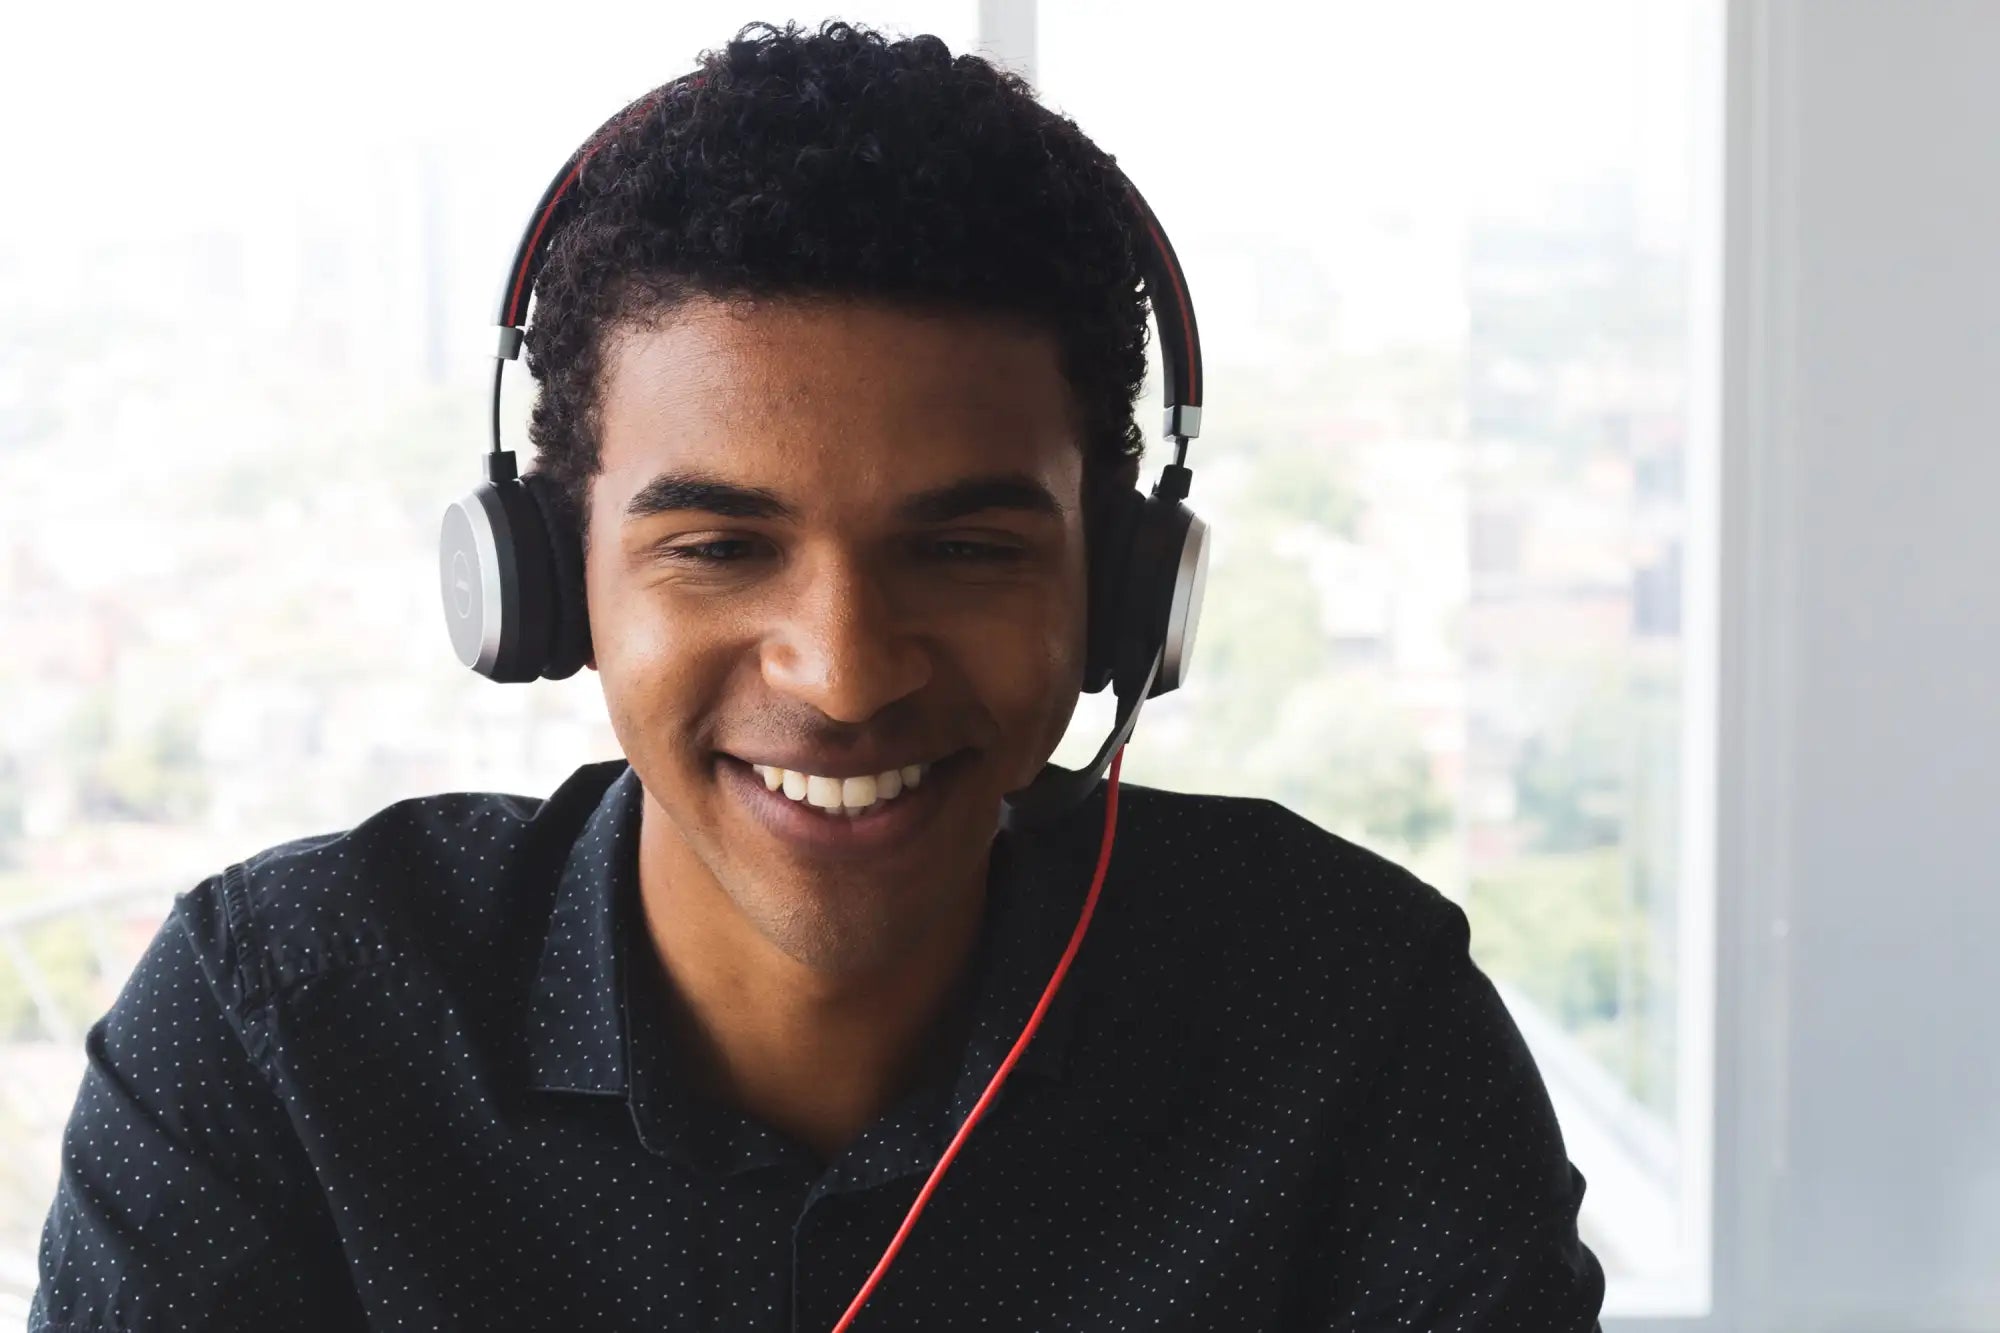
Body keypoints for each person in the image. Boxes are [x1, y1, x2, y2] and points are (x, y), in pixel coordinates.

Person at [32, 20, 1605, 1331]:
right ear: (546, 575)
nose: (843, 672)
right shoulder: (279, 1035)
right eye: (719, 547)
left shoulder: (1350, 1024)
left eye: (969, 550)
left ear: (1120, 595)